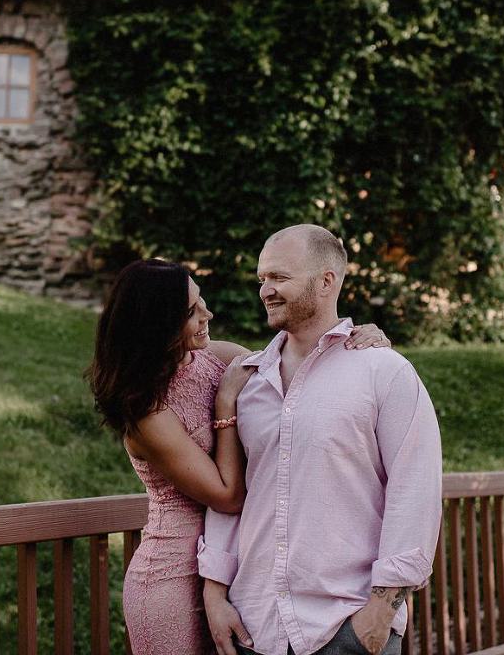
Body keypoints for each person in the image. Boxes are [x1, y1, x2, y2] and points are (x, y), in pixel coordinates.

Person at [87, 258, 392, 655]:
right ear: (157, 325)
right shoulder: (147, 411)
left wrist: (359, 344)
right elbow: (228, 496)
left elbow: (304, 383)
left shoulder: (219, 357)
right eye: (191, 312)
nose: (207, 315)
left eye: (202, 302)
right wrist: (225, 405)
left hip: (240, 567)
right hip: (172, 577)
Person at [198, 225, 442, 655]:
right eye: (262, 280)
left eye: (279, 278)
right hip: (255, 628)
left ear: (326, 281)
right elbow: (234, 496)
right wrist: (215, 594)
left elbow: (415, 492)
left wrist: (381, 610)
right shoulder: (248, 383)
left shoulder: (383, 372)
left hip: (349, 628)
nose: (265, 291)